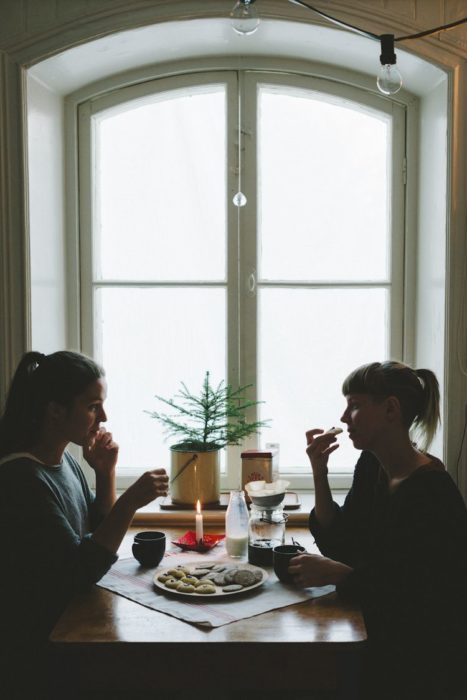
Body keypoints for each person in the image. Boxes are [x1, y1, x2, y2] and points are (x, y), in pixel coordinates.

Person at [289, 361, 467, 700]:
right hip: (378, 635)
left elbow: (419, 597)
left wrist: (340, 575)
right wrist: (319, 473)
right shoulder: (372, 467)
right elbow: (340, 541)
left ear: (390, 409)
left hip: (419, 663)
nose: (343, 418)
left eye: (354, 405)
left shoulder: (431, 493)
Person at [0, 350, 169, 698]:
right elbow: (81, 568)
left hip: (71, 627)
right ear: (55, 410)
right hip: (41, 651)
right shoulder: (22, 478)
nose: (103, 416)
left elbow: (96, 532)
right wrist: (130, 502)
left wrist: (104, 474)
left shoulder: (64, 463)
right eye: (93, 406)